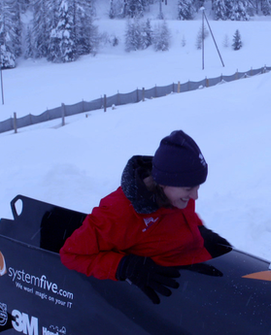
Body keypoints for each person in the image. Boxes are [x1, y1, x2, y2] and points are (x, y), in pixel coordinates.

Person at [60, 130, 231, 304]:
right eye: (188, 189)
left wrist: (201, 231)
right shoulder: (118, 213)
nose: (195, 196)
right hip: (166, 291)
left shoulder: (176, 195)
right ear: (164, 182)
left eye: (197, 187)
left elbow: (181, 218)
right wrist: (125, 266)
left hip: (196, 274)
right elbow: (71, 255)